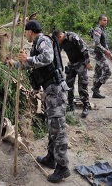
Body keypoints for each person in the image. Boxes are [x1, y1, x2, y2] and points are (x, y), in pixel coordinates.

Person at [6, 20, 70, 183]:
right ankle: (51, 158)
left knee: (58, 128)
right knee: (51, 124)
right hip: (50, 91)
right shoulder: (37, 44)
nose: (25, 35)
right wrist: (15, 63)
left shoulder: (43, 40)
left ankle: (63, 168)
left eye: (25, 32)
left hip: (55, 90)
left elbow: (47, 58)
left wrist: (28, 59)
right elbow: (31, 64)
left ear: (30, 31)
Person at [52, 29, 92, 118]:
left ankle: (85, 106)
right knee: (68, 85)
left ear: (60, 37)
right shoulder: (60, 41)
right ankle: (71, 106)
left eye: (57, 40)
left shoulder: (72, 37)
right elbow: (57, 53)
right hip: (71, 63)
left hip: (81, 63)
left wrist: (88, 62)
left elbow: (84, 48)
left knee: (82, 86)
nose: (57, 42)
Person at [91, 14, 112, 98]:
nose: (105, 22)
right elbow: (96, 44)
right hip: (98, 54)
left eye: (106, 20)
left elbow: (104, 44)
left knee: (97, 73)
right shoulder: (97, 29)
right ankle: (95, 88)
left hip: (101, 53)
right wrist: (105, 51)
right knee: (107, 72)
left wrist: (109, 53)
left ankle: (95, 94)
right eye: (104, 20)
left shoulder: (102, 29)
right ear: (100, 21)